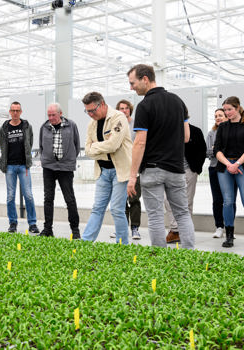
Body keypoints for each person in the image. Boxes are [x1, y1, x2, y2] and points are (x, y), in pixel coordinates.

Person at [126, 64, 195, 249]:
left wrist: (132, 176)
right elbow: (186, 137)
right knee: (182, 213)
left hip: (153, 169)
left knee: (156, 216)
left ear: (145, 79)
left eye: (133, 83)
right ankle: (191, 255)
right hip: (176, 168)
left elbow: (140, 142)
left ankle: (159, 261)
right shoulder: (178, 101)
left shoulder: (145, 106)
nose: (131, 87)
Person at [81, 92, 132, 244]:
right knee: (97, 208)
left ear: (102, 104)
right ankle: (86, 242)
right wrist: (101, 147)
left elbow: (114, 144)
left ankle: (123, 245)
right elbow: (87, 150)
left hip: (119, 171)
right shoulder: (92, 124)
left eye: (92, 110)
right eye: (87, 111)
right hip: (102, 171)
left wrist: (95, 146)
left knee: (117, 209)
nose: (90, 114)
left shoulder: (118, 118)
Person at [214, 96, 244, 249]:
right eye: (225, 110)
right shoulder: (222, 127)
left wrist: (237, 164)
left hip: (243, 166)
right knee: (228, 202)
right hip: (225, 166)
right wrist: (229, 164)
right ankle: (229, 236)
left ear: (238, 108)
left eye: (230, 109)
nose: (227, 113)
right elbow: (217, 150)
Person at [39, 103, 81, 238]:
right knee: (48, 199)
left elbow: (77, 145)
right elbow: (41, 146)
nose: (51, 118)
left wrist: (68, 160)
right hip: (49, 168)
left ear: (60, 113)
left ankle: (75, 230)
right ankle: (47, 229)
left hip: (65, 168)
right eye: (49, 115)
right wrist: (46, 160)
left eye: (53, 115)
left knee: (69, 199)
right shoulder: (44, 127)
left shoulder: (71, 126)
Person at [0, 102, 39, 234]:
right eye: (13, 110)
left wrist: (27, 158)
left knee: (28, 195)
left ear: (21, 112)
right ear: (10, 112)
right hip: (9, 166)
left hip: (23, 166)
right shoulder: (4, 128)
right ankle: (13, 222)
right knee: (10, 196)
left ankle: (32, 223)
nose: (15, 113)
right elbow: (2, 145)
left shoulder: (26, 126)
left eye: (17, 110)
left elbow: (30, 142)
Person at [164, 123, 206, 243]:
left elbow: (202, 150)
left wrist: (196, 169)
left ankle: (185, 231)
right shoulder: (166, 129)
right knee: (167, 201)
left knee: (186, 202)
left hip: (188, 171)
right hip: (170, 171)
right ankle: (174, 230)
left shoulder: (195, 131)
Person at [206, 108, 237, 238]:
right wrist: (216, 150)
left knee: (230, 200)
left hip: (231, 169)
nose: (218, 118)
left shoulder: (234, 131)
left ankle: (230, 227)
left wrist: (217, 150)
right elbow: (208, 153)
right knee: (217, 199)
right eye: (216, 116)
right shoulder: (211, 133)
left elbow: (235, 150)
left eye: (220, 115)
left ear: (227, 116)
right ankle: (219, 227)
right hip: (214, 168)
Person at [115, 99, 141, 240]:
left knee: (134, 198)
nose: (123, 110)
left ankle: (135, 228)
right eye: (121, 108)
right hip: (120, 167)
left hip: (134, 166)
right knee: (120, 200)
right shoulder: (116, 124)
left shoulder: (136, 124)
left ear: (130, 109)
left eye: (126, 108)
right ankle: (122, 228)